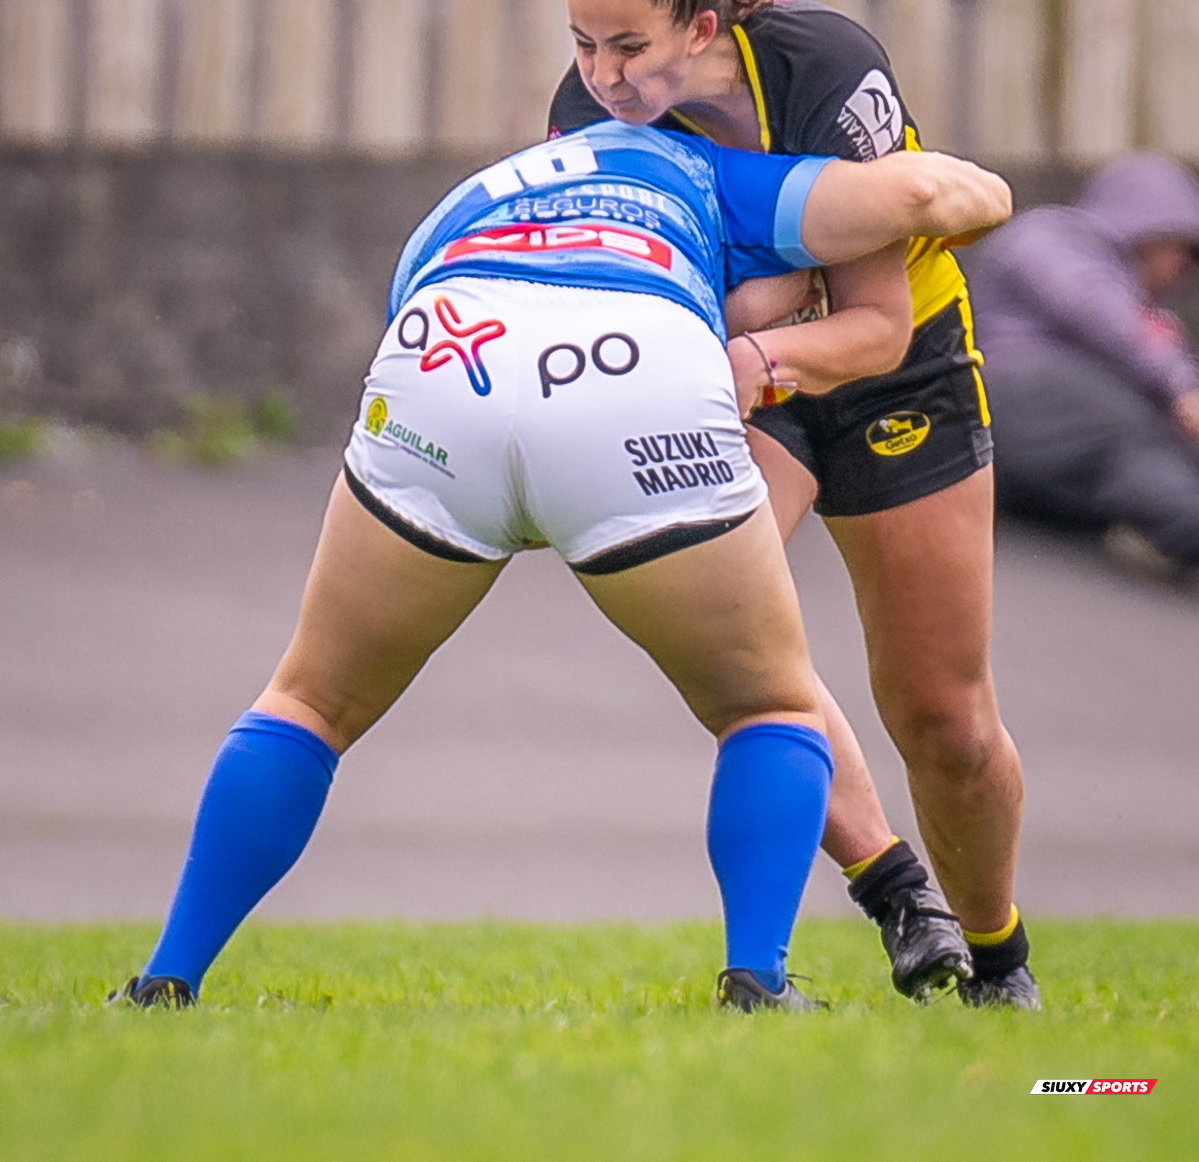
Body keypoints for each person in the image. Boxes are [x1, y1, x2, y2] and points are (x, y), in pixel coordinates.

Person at [112, 116, 1009, 1012]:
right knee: (767, 702)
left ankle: (166, 978)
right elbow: (916, 197)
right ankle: (756, 981)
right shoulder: (717, 172)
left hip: (446, 351)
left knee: (309, 699)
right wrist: (986, 198)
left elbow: (430, 337)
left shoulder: (485, 185)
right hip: (631, 363)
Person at [550, 0, 1037, 1009]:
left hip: (888, 366)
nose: (603, 76)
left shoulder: (819, 63)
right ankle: (897, 896)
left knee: (942, 719)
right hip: (739, 375)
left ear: (702, 29)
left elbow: (871, 324)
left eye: (628, 45)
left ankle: (996, 957)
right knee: (724, 641)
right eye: (581, 42)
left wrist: (757, 341)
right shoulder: (584, 117)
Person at [969, 152, 1199, 577]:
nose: (1183, 271)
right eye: (1182, 251)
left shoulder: (1137, 301)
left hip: (1040, 435)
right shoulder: (1052, 235)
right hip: (1020, 384)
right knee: (1137, 443)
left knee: (1139, 453)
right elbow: (1093, 309)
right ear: (1151, 227)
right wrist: (1180, 388)